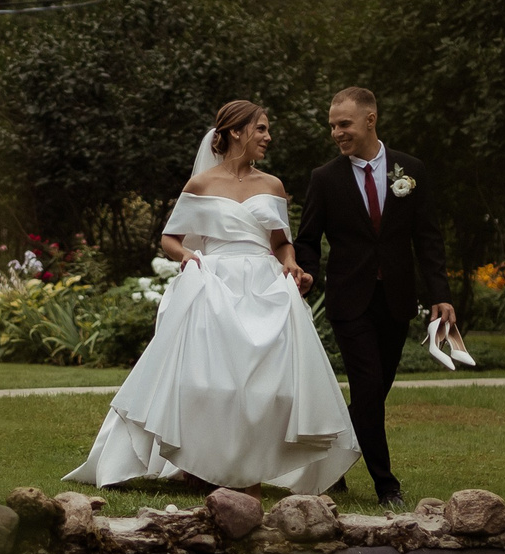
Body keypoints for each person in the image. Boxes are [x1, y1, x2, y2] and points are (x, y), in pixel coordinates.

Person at [65, 101, 361, 494]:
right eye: (261, 129)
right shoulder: (201, 185)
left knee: (268, 385)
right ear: (236, 132)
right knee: (208, 380)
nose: (268, 137)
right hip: (214, 284)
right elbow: (170, 238)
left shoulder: (272, 186)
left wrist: (290, 264)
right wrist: (187, 255)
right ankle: (202, 465)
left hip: (263, 286)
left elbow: (281, 243)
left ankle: (253, 465)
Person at [291, 86, 455, 509]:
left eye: (343, 124)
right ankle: (387, 485)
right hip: (349, 301)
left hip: (397, 299)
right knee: (367, 386)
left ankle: (333, 464)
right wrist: (304, 272)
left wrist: (441, 294)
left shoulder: (410, 170)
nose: (336, 133)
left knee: (375, 391)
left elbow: (428, 238)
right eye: (331, 126)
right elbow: (307, 238)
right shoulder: (324, 179)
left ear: (370, 119)